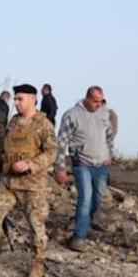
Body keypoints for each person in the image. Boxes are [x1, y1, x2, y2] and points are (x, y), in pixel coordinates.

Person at [0, 85, 57, 277]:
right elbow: (4, 150)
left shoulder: (43, 124)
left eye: (20, 99)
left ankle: (38, 263)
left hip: (32, 185)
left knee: (35, 224)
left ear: (33, 100)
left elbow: (51, 152)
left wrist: (30, 164)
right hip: (7, 182)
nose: (16, 103)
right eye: (15, 99)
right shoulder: (13, 122)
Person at [55, 86, 113, 252]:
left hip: (102, 164)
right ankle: (78, 238)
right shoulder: (72, 114)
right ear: (87, 98)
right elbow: (61, 143)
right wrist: (60, 167)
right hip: (82, 162)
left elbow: (108, 135)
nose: (97, 104)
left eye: (100, 101)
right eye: (95, 101)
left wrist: (110, 154)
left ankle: (84, 220)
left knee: (97, 198)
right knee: (86, 198)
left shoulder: (104, 113)